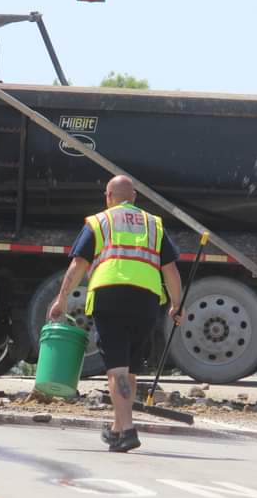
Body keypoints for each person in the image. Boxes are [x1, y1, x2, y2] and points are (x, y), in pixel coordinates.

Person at [48, 175, 183, 452]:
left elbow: (78, 266)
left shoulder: (101, 221)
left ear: (108, 197)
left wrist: (61, 300)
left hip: (110, 296)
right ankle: (117, 429)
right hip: (146, 300)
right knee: (129, 370)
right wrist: (176, 305)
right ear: (134, 198)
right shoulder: (153, 224)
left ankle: (129, 428)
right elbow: (171, 270)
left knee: (116, 369)